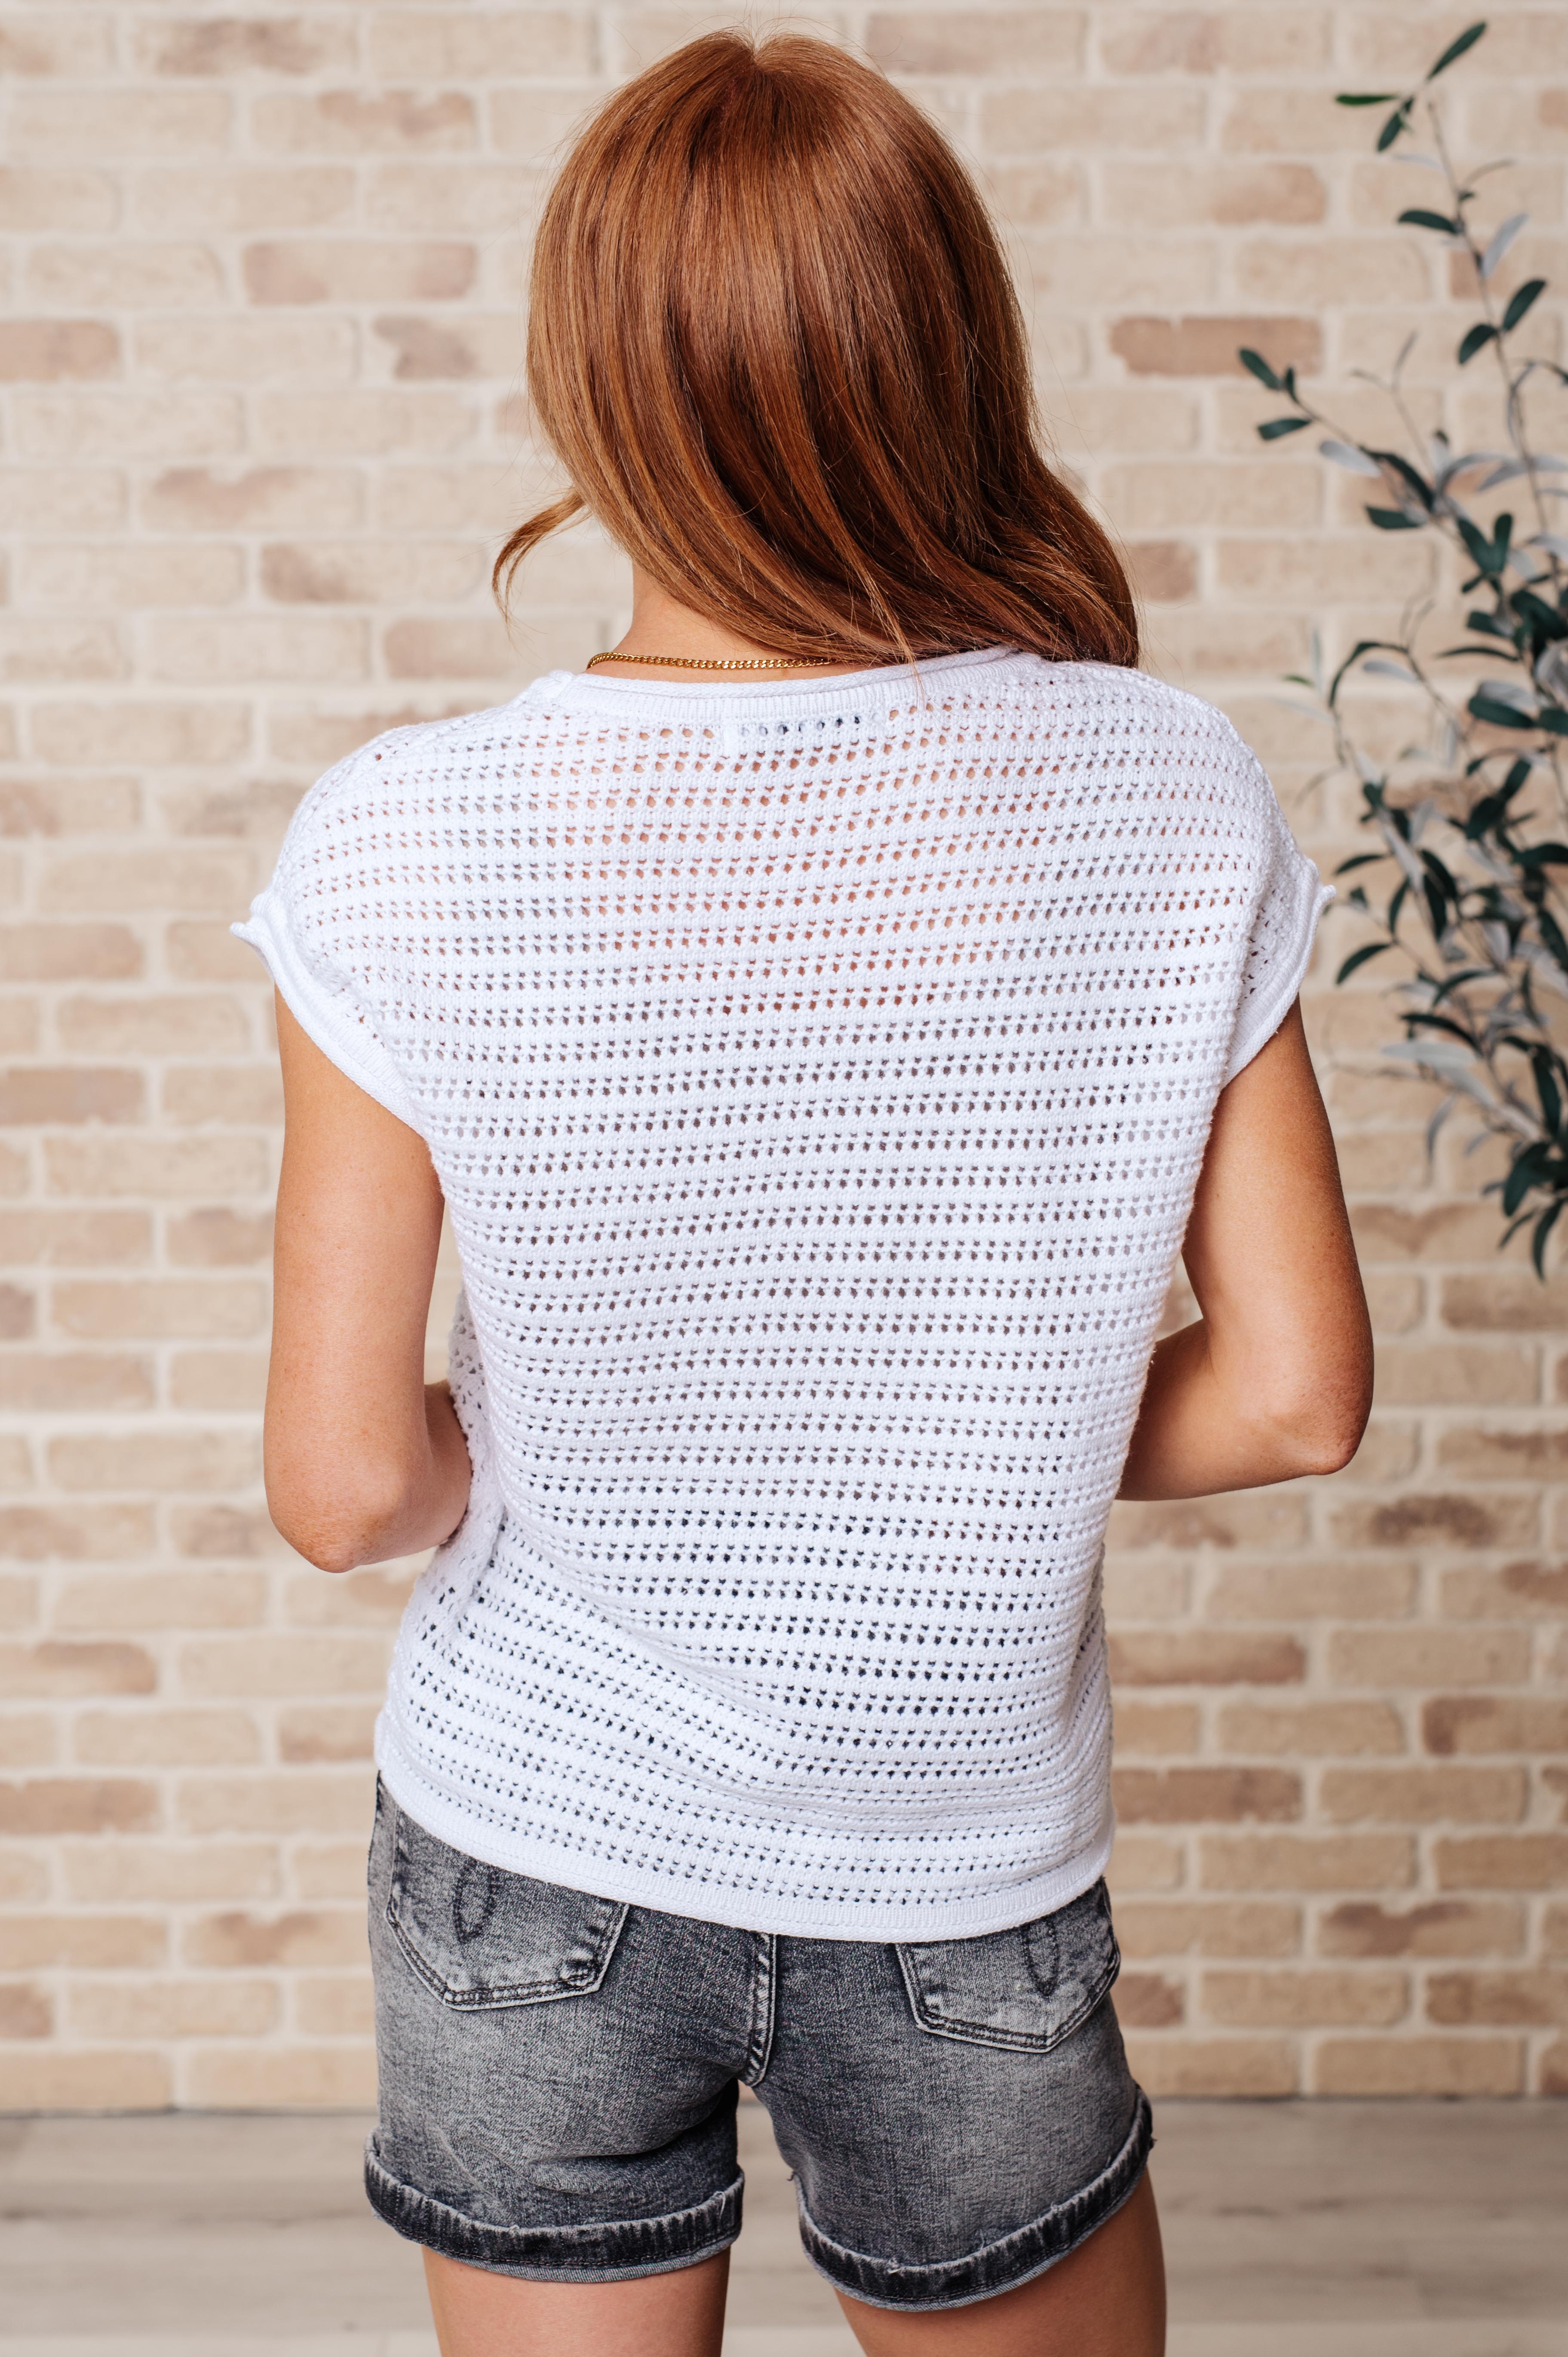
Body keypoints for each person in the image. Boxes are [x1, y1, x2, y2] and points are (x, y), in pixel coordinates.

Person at [236, 30, 1372, 2357]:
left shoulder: (406, 838)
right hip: (961, 1870)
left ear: (590, 381)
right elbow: (1293, 1398)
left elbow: (347, 1489)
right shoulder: (1168, 790)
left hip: (534, 1847)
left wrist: (614, 1447)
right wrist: (980, 1441)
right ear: (947, 351)